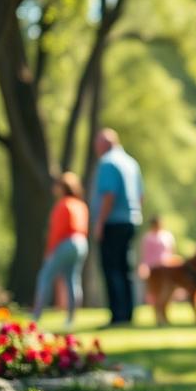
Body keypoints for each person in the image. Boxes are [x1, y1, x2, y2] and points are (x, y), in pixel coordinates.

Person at [91, 128, 144, 327]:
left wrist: (99, 222)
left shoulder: (107, 162)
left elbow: (108, 195)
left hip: (113, 222)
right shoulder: (131, 163)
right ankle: (128, 313)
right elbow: (141, 195)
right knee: (125, 269)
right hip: (131, 220)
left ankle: (118, 315)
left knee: (111, 268)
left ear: (104, 144)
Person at [32, 172, 89, 324]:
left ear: (63, 188)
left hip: (66, 242)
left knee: (45, 277)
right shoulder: (80, 205)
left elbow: (56, 231)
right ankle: (71, 318)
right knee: (73, 280)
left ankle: (36, 316)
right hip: (82, 243)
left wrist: (49, 251)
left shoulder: (62, 205)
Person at [139, 215, 176, 306]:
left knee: (167, 289)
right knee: (155, 291)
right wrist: (144, 267)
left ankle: (164, 309)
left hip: (166, 267)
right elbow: (146, 254)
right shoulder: (148, 237)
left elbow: (171, 251)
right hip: (154, 268)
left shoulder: (167, 236)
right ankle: (157, 311)